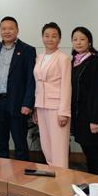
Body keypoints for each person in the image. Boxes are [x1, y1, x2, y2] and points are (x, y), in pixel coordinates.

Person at [0, 16, 36, 161]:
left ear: (17, 30)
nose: (7, 31)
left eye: (10, 28)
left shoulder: (27, 50)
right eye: (4, 29)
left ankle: (21, 173)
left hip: (18, 104)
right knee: (0, 143)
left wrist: (28, 103)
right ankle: (1, 172)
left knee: (20, 143)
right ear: (0, 30)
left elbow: (31, 79)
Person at [33, 22, 72, 168]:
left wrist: (64, 112)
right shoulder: (40, 57)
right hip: (41, 105)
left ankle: (62, 179)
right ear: (42, 37)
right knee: (47, 147)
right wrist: (35, 108)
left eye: (54, 36)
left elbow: (67, 86)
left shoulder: (63, 58)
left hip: (57, 108)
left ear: (59, 39)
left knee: (59, 149)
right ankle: (52, 177)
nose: (50, 39)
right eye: (47, 36)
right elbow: (37, 83)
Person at [70, 26, 98, 176]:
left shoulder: (94, 61)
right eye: (75, 39)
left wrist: (95, 119)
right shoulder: (73, 62)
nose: (78, 42)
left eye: (82, 39)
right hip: (79, 116)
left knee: (95, 154)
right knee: (88, 153)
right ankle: (94, 184)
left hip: (91, 116)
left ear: (89, 42)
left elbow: (97, 92)